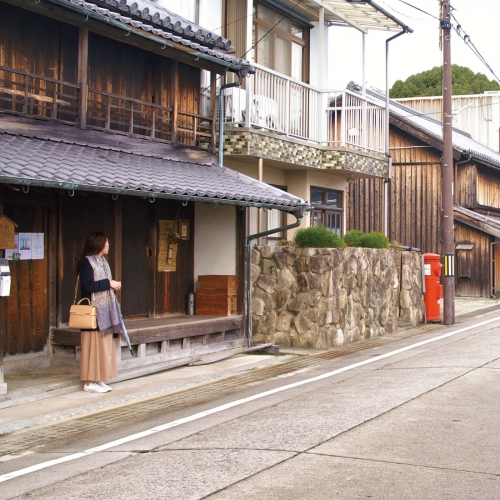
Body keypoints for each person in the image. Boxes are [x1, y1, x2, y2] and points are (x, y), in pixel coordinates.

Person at [76, 231, 122, 394]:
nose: (108, 245)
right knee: (92, 347)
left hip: (104, 311)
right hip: (93, 312)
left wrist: (111, 285)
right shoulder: (86, 262)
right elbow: (88, 285)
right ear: (99, 244)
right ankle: (89, 382)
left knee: (102, 347)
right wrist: (109, 283)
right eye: (106, 242)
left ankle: (98, 379)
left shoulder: (102, 261)